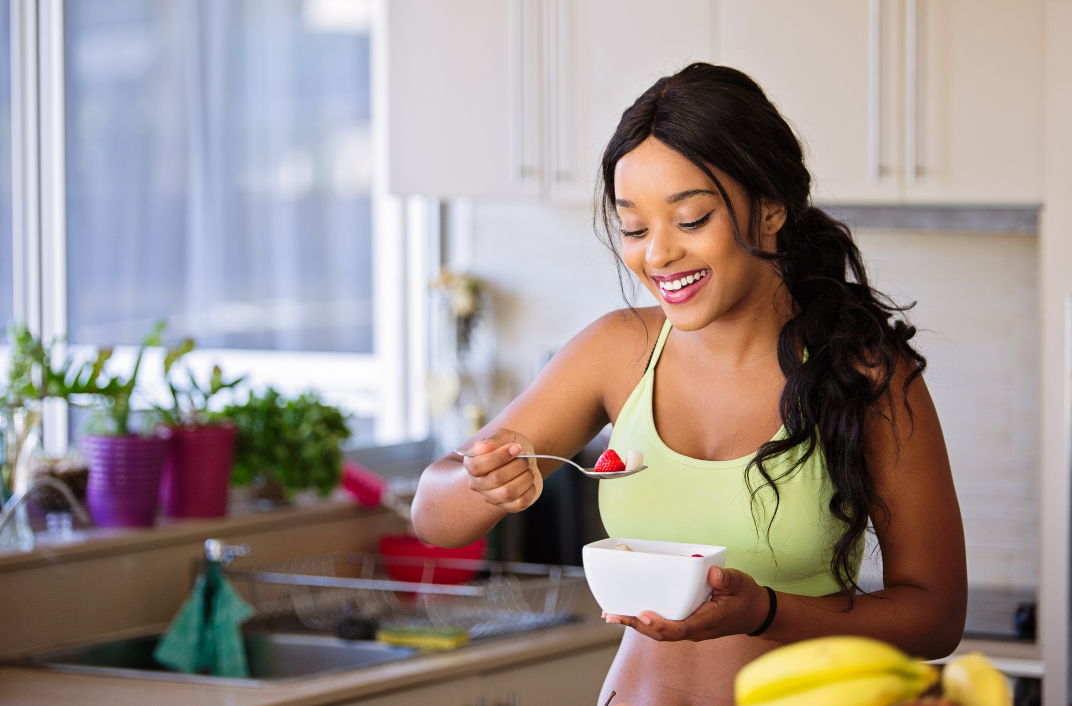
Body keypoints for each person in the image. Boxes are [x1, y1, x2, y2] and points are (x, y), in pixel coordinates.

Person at [410, 63, 967, 706]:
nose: (659, 255)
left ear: (771, 210)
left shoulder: (866, 375)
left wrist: (765, 612)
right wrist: (483, 483)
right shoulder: (618, 350)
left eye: (692, 218)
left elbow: (936, 616)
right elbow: (433, 515)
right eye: (636, 229)